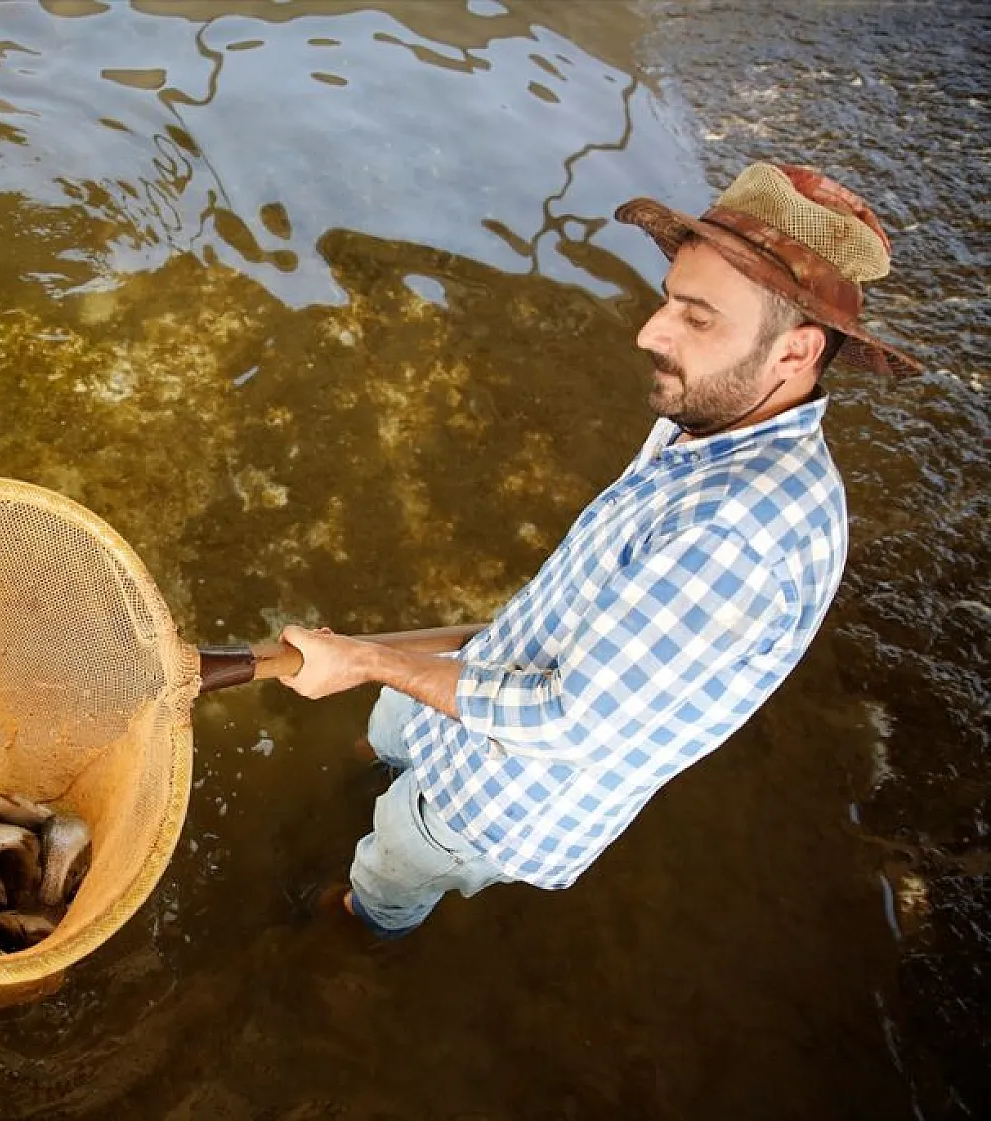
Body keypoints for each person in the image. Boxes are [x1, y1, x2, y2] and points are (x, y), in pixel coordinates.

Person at [277, 162, 922, 939]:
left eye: (698, 317)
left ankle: (349, 935)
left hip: (495, 794)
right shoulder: (713, 427)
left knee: (386, 878)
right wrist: (364, 652)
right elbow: (572, 608)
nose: (650, 332)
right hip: (479, 688)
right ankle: (373, 780)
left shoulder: (737, 539)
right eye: (668, 301)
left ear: (793, 355)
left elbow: (567, 719)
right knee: (380, 744)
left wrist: (374, 662)